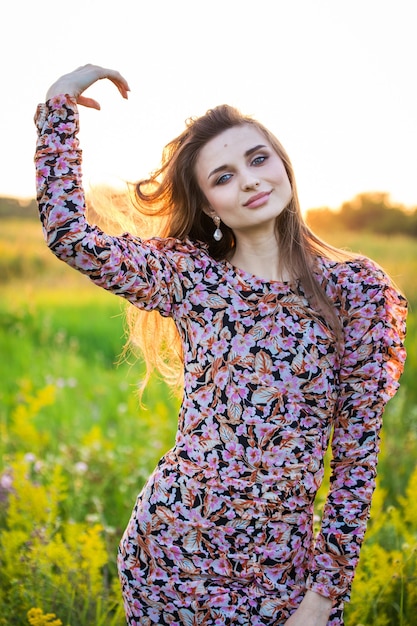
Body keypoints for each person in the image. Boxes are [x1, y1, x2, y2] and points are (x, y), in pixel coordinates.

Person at [34, 65, 407, 626]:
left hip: (285, 572)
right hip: (172, 555)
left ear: (284, 166)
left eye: (259, 160)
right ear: (209, 206)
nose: (251, 180)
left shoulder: (357, 290)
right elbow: (70, 236)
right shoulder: (193, 278)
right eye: (224, 176)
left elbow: (355, 454)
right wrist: (58, 106)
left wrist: (324, 594)